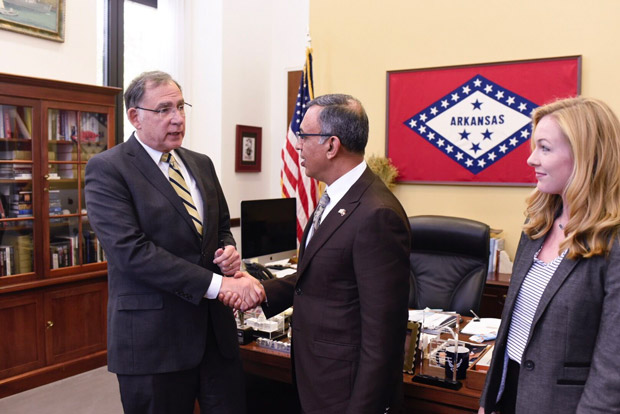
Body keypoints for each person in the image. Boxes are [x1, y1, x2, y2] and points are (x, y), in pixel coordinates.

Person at [84, 71, 264, 414]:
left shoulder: (200, 163)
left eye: (181, 107)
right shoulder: (108, 169)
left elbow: (221, 226)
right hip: (154, 342)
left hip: (216, 338)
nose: (178, 118)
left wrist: (227, 252)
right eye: (164, 109)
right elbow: (132, 253)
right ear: (135, 116)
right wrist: (217, 283)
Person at [222, 94, 411, 413]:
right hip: (319, 375)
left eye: (304, 136)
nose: (297, 146)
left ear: (331, 145)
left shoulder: (377, 214)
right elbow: (320, 273)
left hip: (346, 387)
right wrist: (260, 292)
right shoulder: (335, 199)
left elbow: (384, 334)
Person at [479, 97, 620, 413]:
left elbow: (613, 366)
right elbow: (510, 330)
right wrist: (488, 401)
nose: (531, 160)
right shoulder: (537, 225)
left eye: (544, 148)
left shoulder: (612, 240)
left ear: (585, 156)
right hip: (508, 395)